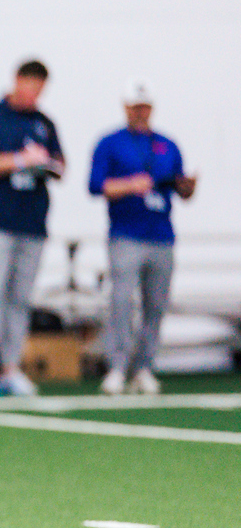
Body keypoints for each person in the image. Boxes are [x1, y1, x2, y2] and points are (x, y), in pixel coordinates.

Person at [0, 60, 64, 397]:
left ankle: (9, 367)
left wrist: (44, 165)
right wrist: (19, 161)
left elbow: (60, 165)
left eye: (40, 89)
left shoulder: (43, 122)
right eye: (30, 86)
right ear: (17, 81)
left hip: (31, 223)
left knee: (20, 299)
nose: (34, 94)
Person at [89, 80, 196, 395]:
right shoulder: (110, 143)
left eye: (145, 106)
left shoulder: (167, 144)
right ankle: (118, 367)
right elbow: (97, 186)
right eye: (135, 106)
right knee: (121, 301)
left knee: (156, 303)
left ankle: (145, 366)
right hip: (126, 234)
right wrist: (130, 185)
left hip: (161, 234)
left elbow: (178, 186)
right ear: (126, 108)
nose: (141, 112)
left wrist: (187, 187)